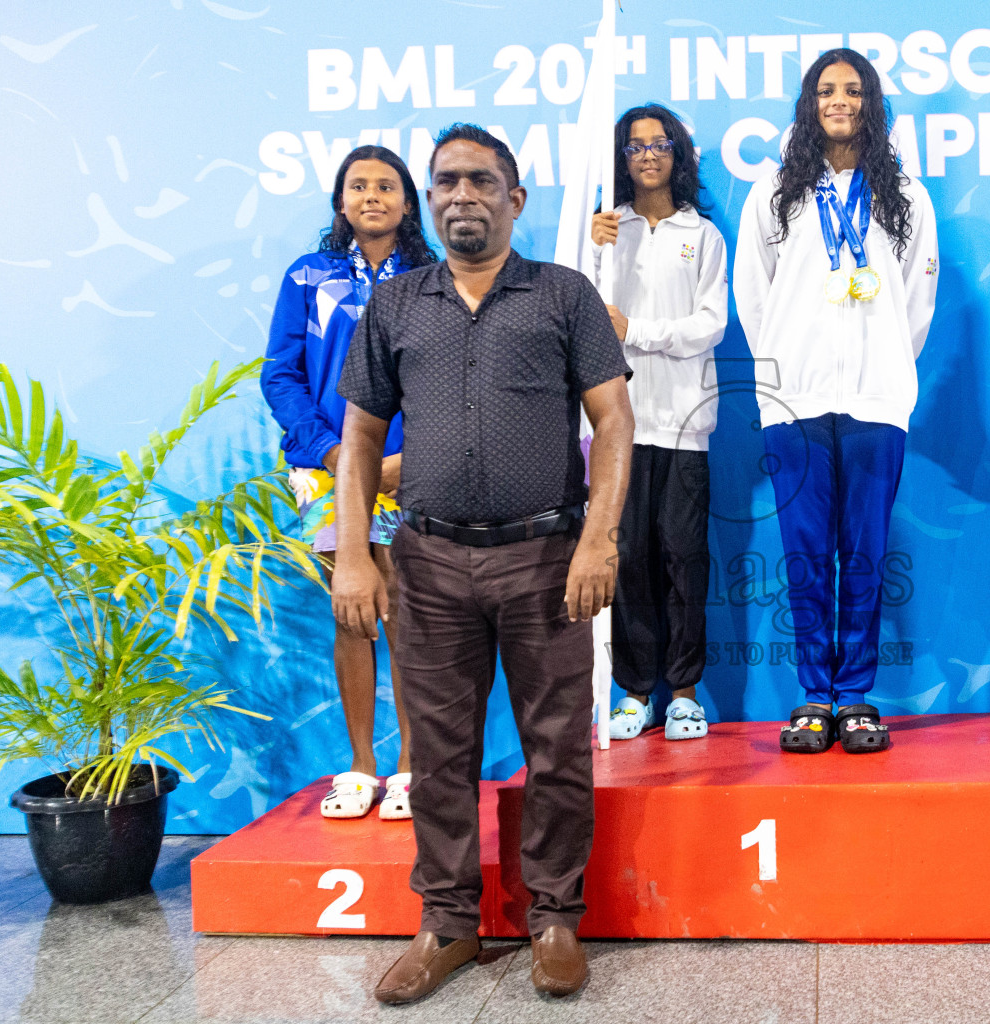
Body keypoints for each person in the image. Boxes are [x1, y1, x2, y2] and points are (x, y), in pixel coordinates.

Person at [332, 124, 633, 1002]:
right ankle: (446, 925)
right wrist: (356, 551)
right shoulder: (395, 305)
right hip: (425, 563)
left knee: (556, 752)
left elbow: (613, 425)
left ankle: (553, 920)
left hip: (545, 558)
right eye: (446, 183)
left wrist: (599, 538)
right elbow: (359, 441)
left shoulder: (564, 296)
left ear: (515, 198)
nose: (461, 195)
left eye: (480, 180)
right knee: (438, 754)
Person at [734, 49, 938, 755]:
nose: (840, 100)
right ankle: (813, 697)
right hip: (794, 400)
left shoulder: (904, 195)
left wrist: (883, 366)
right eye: (827, 89)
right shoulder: (775, 191)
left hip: (877, 399)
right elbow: (752, 295)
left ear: (871, 102)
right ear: (809, 102)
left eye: (853, 89)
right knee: (804, 554)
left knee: (866, 553)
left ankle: (855, 697)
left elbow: (917, 298)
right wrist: (787, 367)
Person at [260, 145, 437, 821]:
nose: (372, 196)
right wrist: (332, 453)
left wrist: (409, 456)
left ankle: (412, 767)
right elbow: (281, 373)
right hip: (328, 473)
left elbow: (448, 380)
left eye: (386, 186)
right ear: (340, 200)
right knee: (353, 611)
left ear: (407, 201)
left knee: (410, 616)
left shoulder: (430, 278)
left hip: (408, 472)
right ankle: (361, 765)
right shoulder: (307, 277)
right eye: (358, 186)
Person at [588, 104, 727, 743]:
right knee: (630, 561)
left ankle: (686, 694)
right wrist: (593, 252)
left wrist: (637, 332)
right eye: (636, 145)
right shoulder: (605, 232)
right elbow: (584, 318)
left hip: (685, 424)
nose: (648, 154)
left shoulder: (702, 235)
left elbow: (710, 325)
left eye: (660, 143)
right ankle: (635, 691)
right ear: (621, 157)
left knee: (685, 558)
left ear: (678, 155)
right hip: (619, 429)